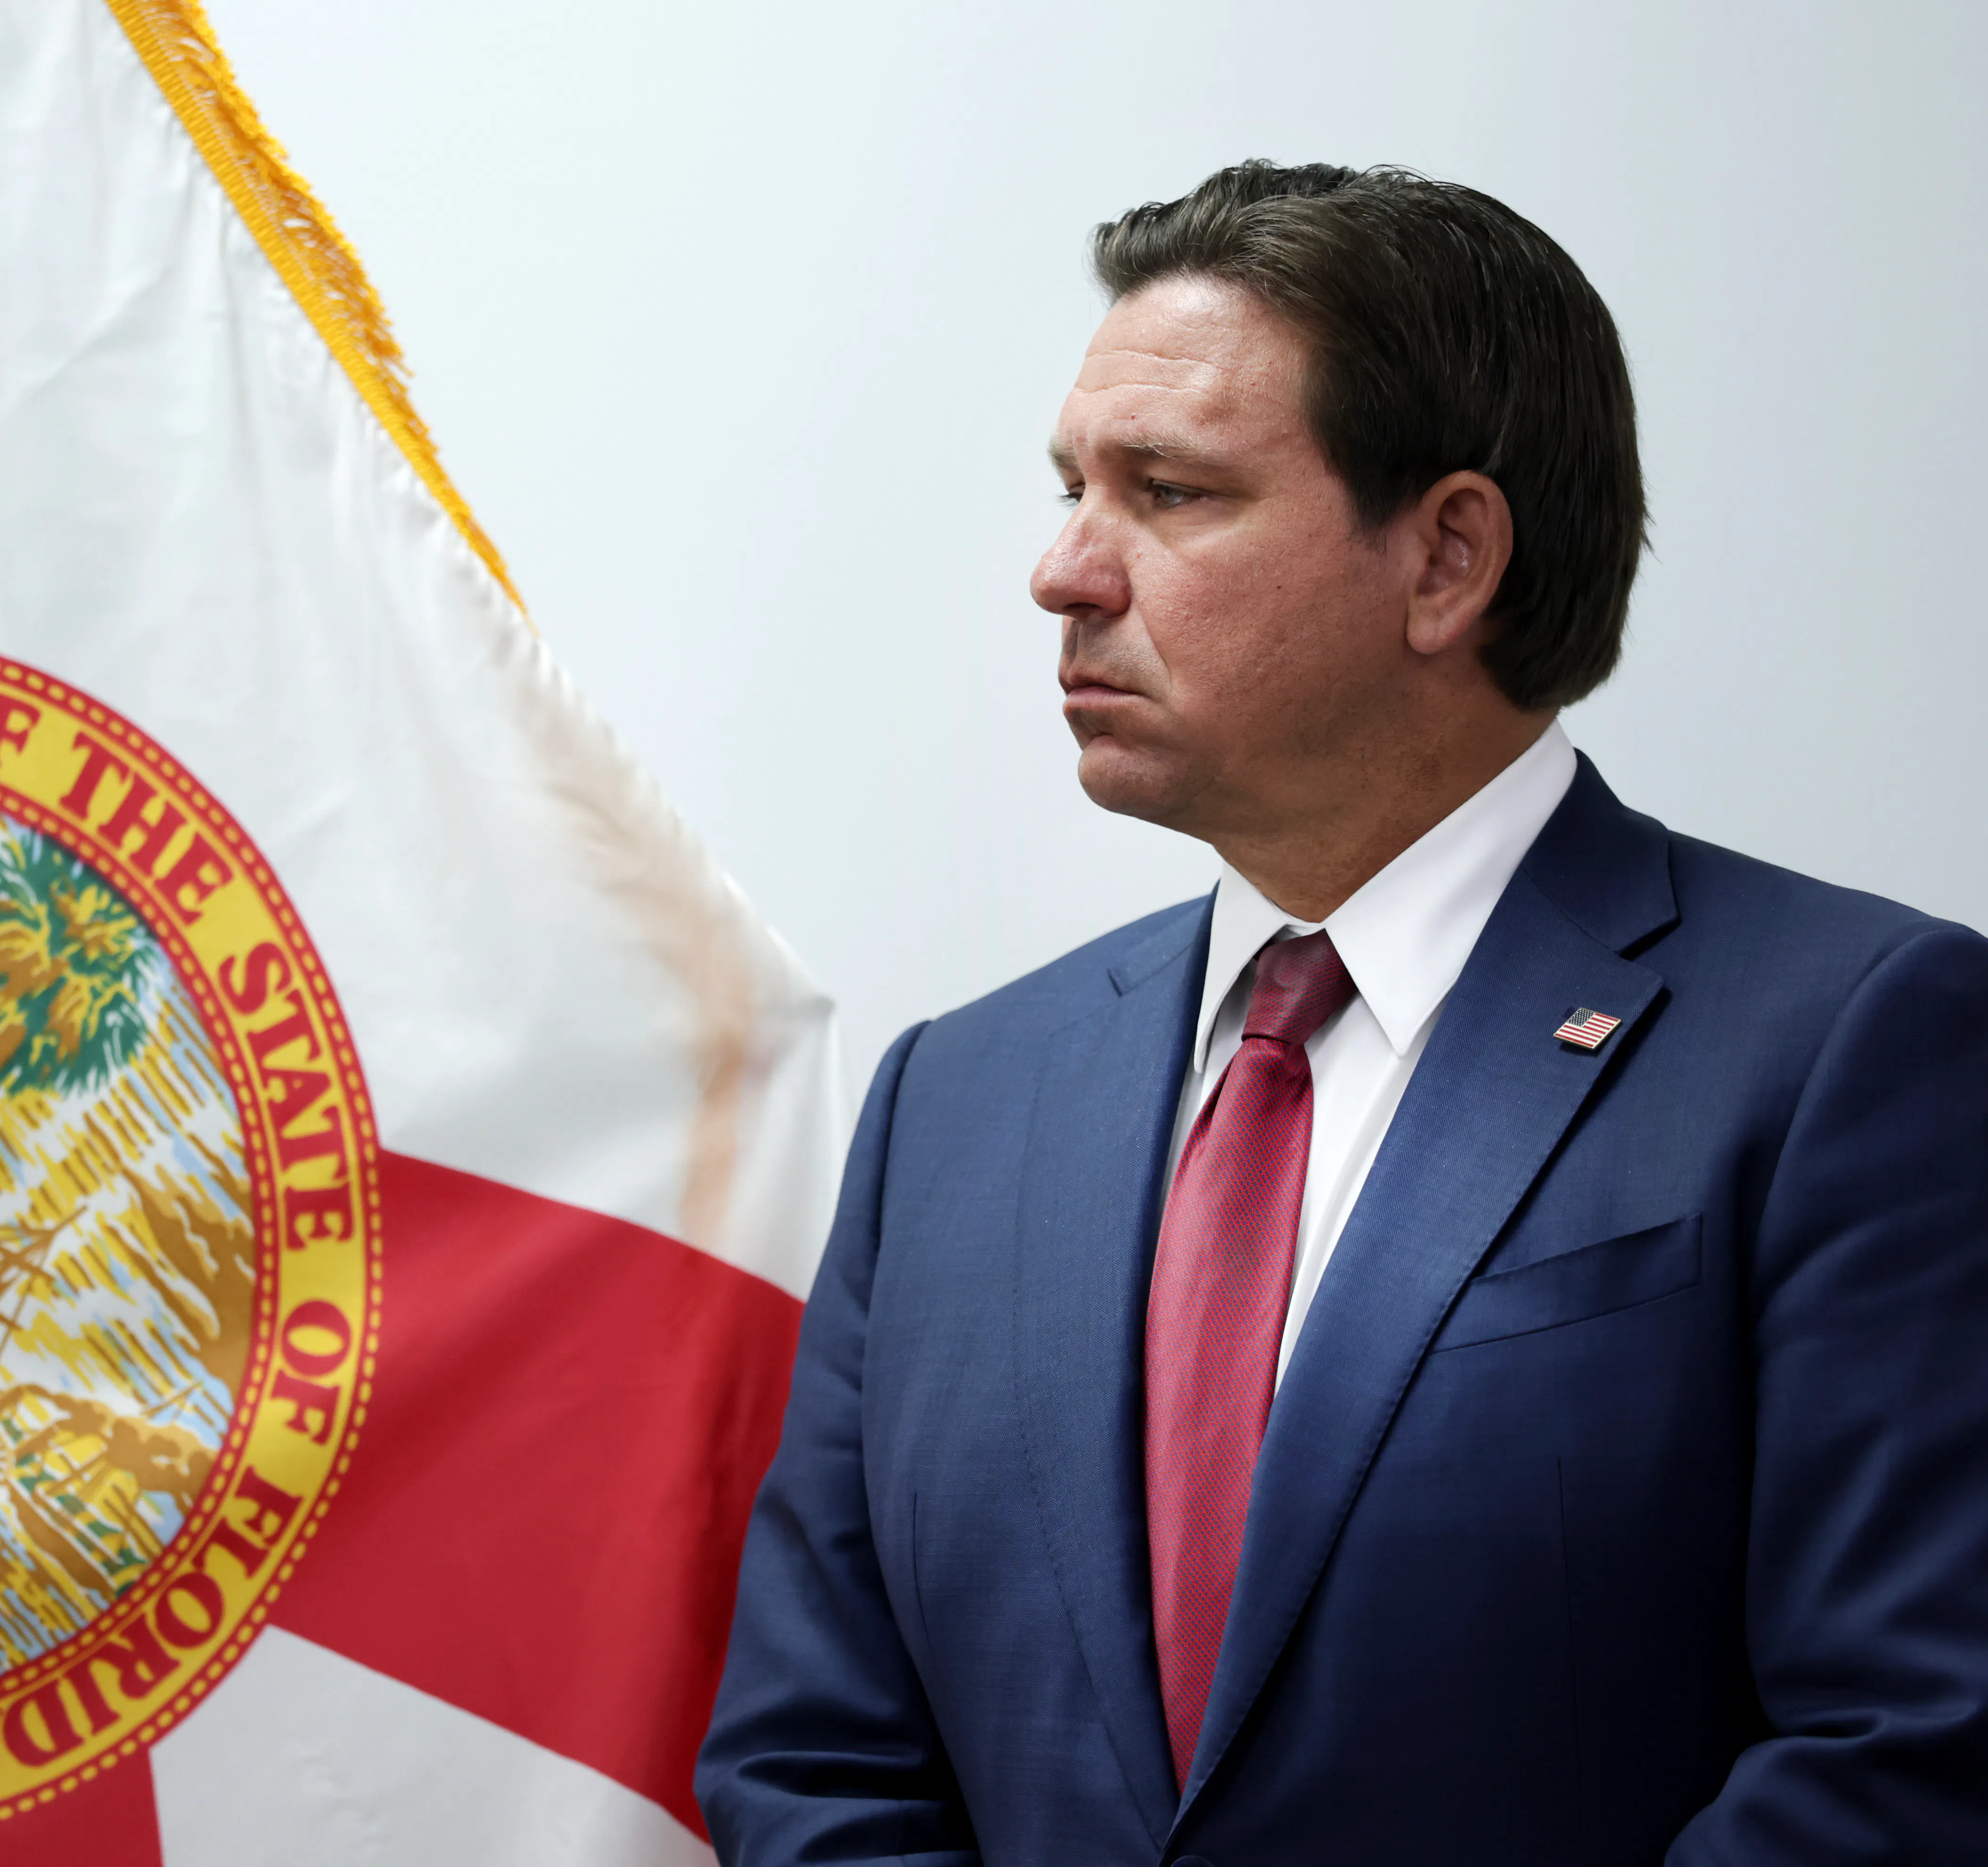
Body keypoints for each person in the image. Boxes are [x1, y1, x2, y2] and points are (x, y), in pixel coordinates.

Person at [698, 162, 1988, 1865]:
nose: (1065, 571)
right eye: (1073, 487)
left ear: (1449, 557)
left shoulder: (1854, 1046)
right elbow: (813, 1770)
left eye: (1168, 492)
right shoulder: (958, 1100)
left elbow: (1911, 1754)